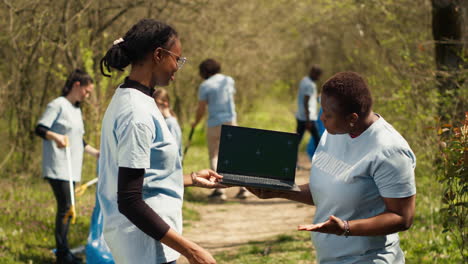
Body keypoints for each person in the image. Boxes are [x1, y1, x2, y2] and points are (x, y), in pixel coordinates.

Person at [249, 71, 416, 263]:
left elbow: (403, 217)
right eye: (322, 111)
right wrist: (279, 191)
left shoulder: (390, 151)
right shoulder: (333, 134)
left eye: (328, 115)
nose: (322, 119)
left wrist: (346, 227)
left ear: (352, 118)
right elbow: (325, 192)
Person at [98, 19, 224, 264]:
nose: (178, 66)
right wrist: (192, 251)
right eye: (177, 58)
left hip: (147, 244)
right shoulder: (136, 113)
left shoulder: (137, 98)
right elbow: (130, 200)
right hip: (144, 246)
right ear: (158, 55)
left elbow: (143, 176)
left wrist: (191, 179)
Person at [35, 69, 100, 264]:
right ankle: (62, 255)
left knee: (68, 208)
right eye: (86, 91)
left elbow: (79, 141)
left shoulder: (76, 110)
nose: (87, 95)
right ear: (76, 85)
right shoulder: (58, 105)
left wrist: (97, 153)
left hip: (72, 168)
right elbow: (40, 128)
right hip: (57, 166)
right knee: (65, 208)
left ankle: (64, 252)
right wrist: (55, 137)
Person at [191, 58, 248, 201]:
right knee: (235, 154)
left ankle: (219, 190)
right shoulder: (228, 80)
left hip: (214, 123)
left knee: (214, 155)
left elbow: (201, 108)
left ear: (204, 72)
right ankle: (244, 188)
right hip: (230, 120)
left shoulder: (205, 85)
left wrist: (195, 122)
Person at [296, 66, 323, 149]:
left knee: (297, 141)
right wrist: (308, 120)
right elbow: (306, 101)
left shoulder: (304, 80)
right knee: (317, 140)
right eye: (318, 75)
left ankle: (292, 160)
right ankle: (320, 160)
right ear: (313, 73)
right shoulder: (310, 85)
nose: (318, 78)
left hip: (301, 116)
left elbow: (308, 97)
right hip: (308, 118)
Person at [154, 88, 183, 160]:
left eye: (155, 104)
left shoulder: (170, 123)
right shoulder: (163, 121)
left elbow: (173, 150)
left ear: (165, 103)